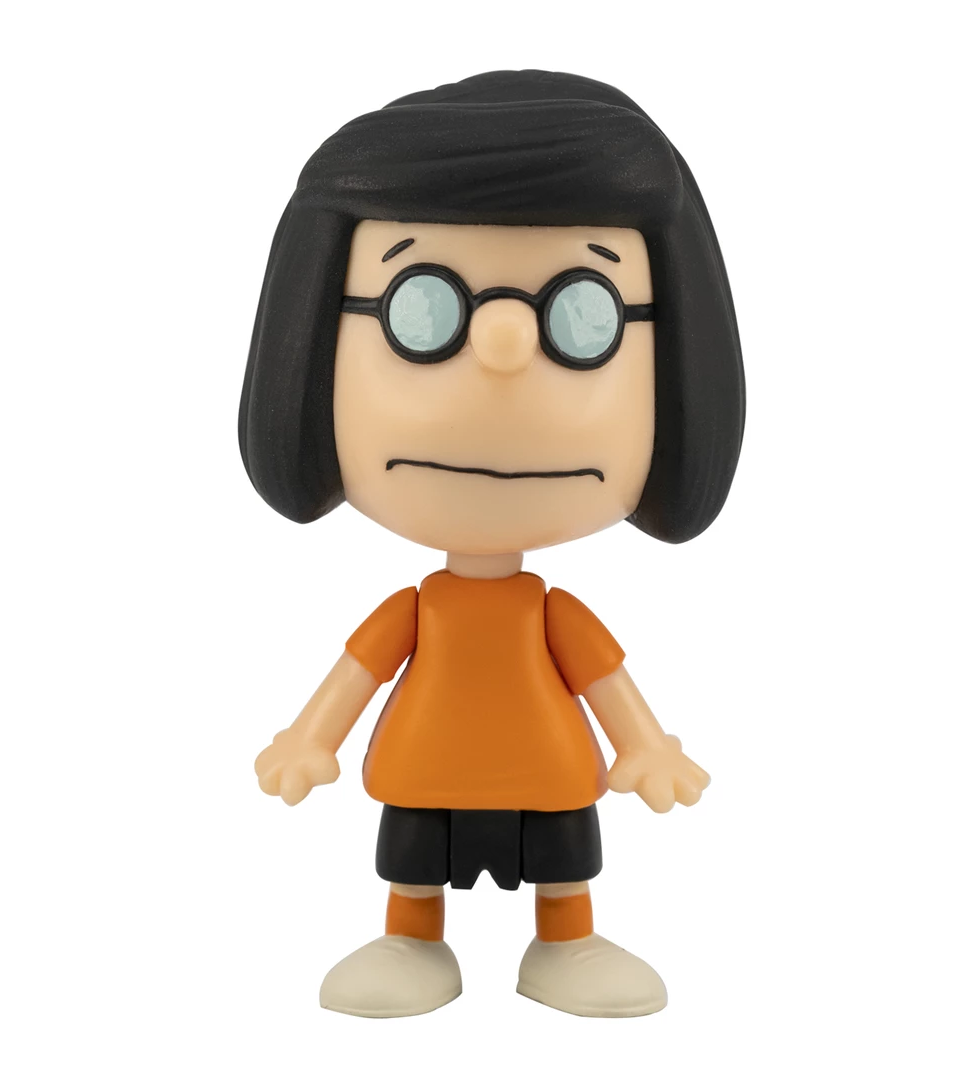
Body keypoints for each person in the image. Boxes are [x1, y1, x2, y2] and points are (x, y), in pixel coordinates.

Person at [240, 69, 744, 1017]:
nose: (504, 353)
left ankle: (566, 943)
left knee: (562, 857)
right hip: (427, 766)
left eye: (584, 318)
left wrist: (648, 749)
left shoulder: (554, 615)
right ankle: (410, 939)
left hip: (546, 772)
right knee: (414, 857)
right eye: (421, 310)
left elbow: (606, 682)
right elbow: (356, 674)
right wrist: (309, 740)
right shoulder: (415, 611)